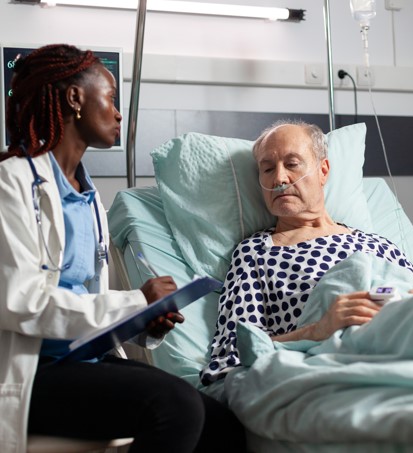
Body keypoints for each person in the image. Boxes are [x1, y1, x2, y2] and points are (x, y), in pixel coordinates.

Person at [0, 43, 246, 453]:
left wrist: (145, 321)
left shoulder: (89, 197)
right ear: (75, 98)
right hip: (34, 372)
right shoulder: (11, 182)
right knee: (174, 407)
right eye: (111, 98)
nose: (118, 113)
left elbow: (99, 302)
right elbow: (19, 301)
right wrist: (134, 301)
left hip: (86, 360)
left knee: (223, 424)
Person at [200, 119, 413, 387]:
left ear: (323, 170)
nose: (279, 178)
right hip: (337, 364)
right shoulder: (255, 253)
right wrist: (317, 330)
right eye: (267, 169)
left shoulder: (379, 245)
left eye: (292, 164)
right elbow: (231, 355)